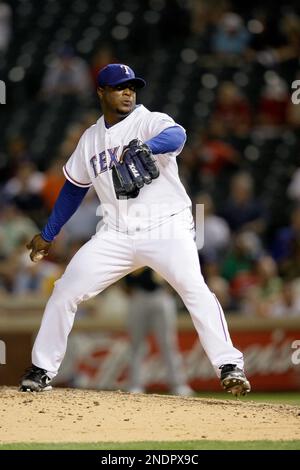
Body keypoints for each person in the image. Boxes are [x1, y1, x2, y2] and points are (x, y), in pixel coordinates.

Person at [20, 63, 250, 397]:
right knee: (65, 290)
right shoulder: (90, 139)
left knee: (193, 289)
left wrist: (147, 147)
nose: (128, 92)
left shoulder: (148, 121)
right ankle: (42, 369)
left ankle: (230, 366)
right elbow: (73, 189)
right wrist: (49, 233)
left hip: (166, 225)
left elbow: (178, 134)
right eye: (119, 87)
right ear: (101, 91)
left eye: (132, 87)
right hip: (116, 233)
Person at [124, 268, 193, 396]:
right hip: (139, 294)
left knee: (168, 343)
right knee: (136, 344)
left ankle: (178, 385)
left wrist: (171, 289)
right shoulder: (134, 249)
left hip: (161, 294)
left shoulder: (165, 249)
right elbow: (126, 277)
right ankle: (135, 384)